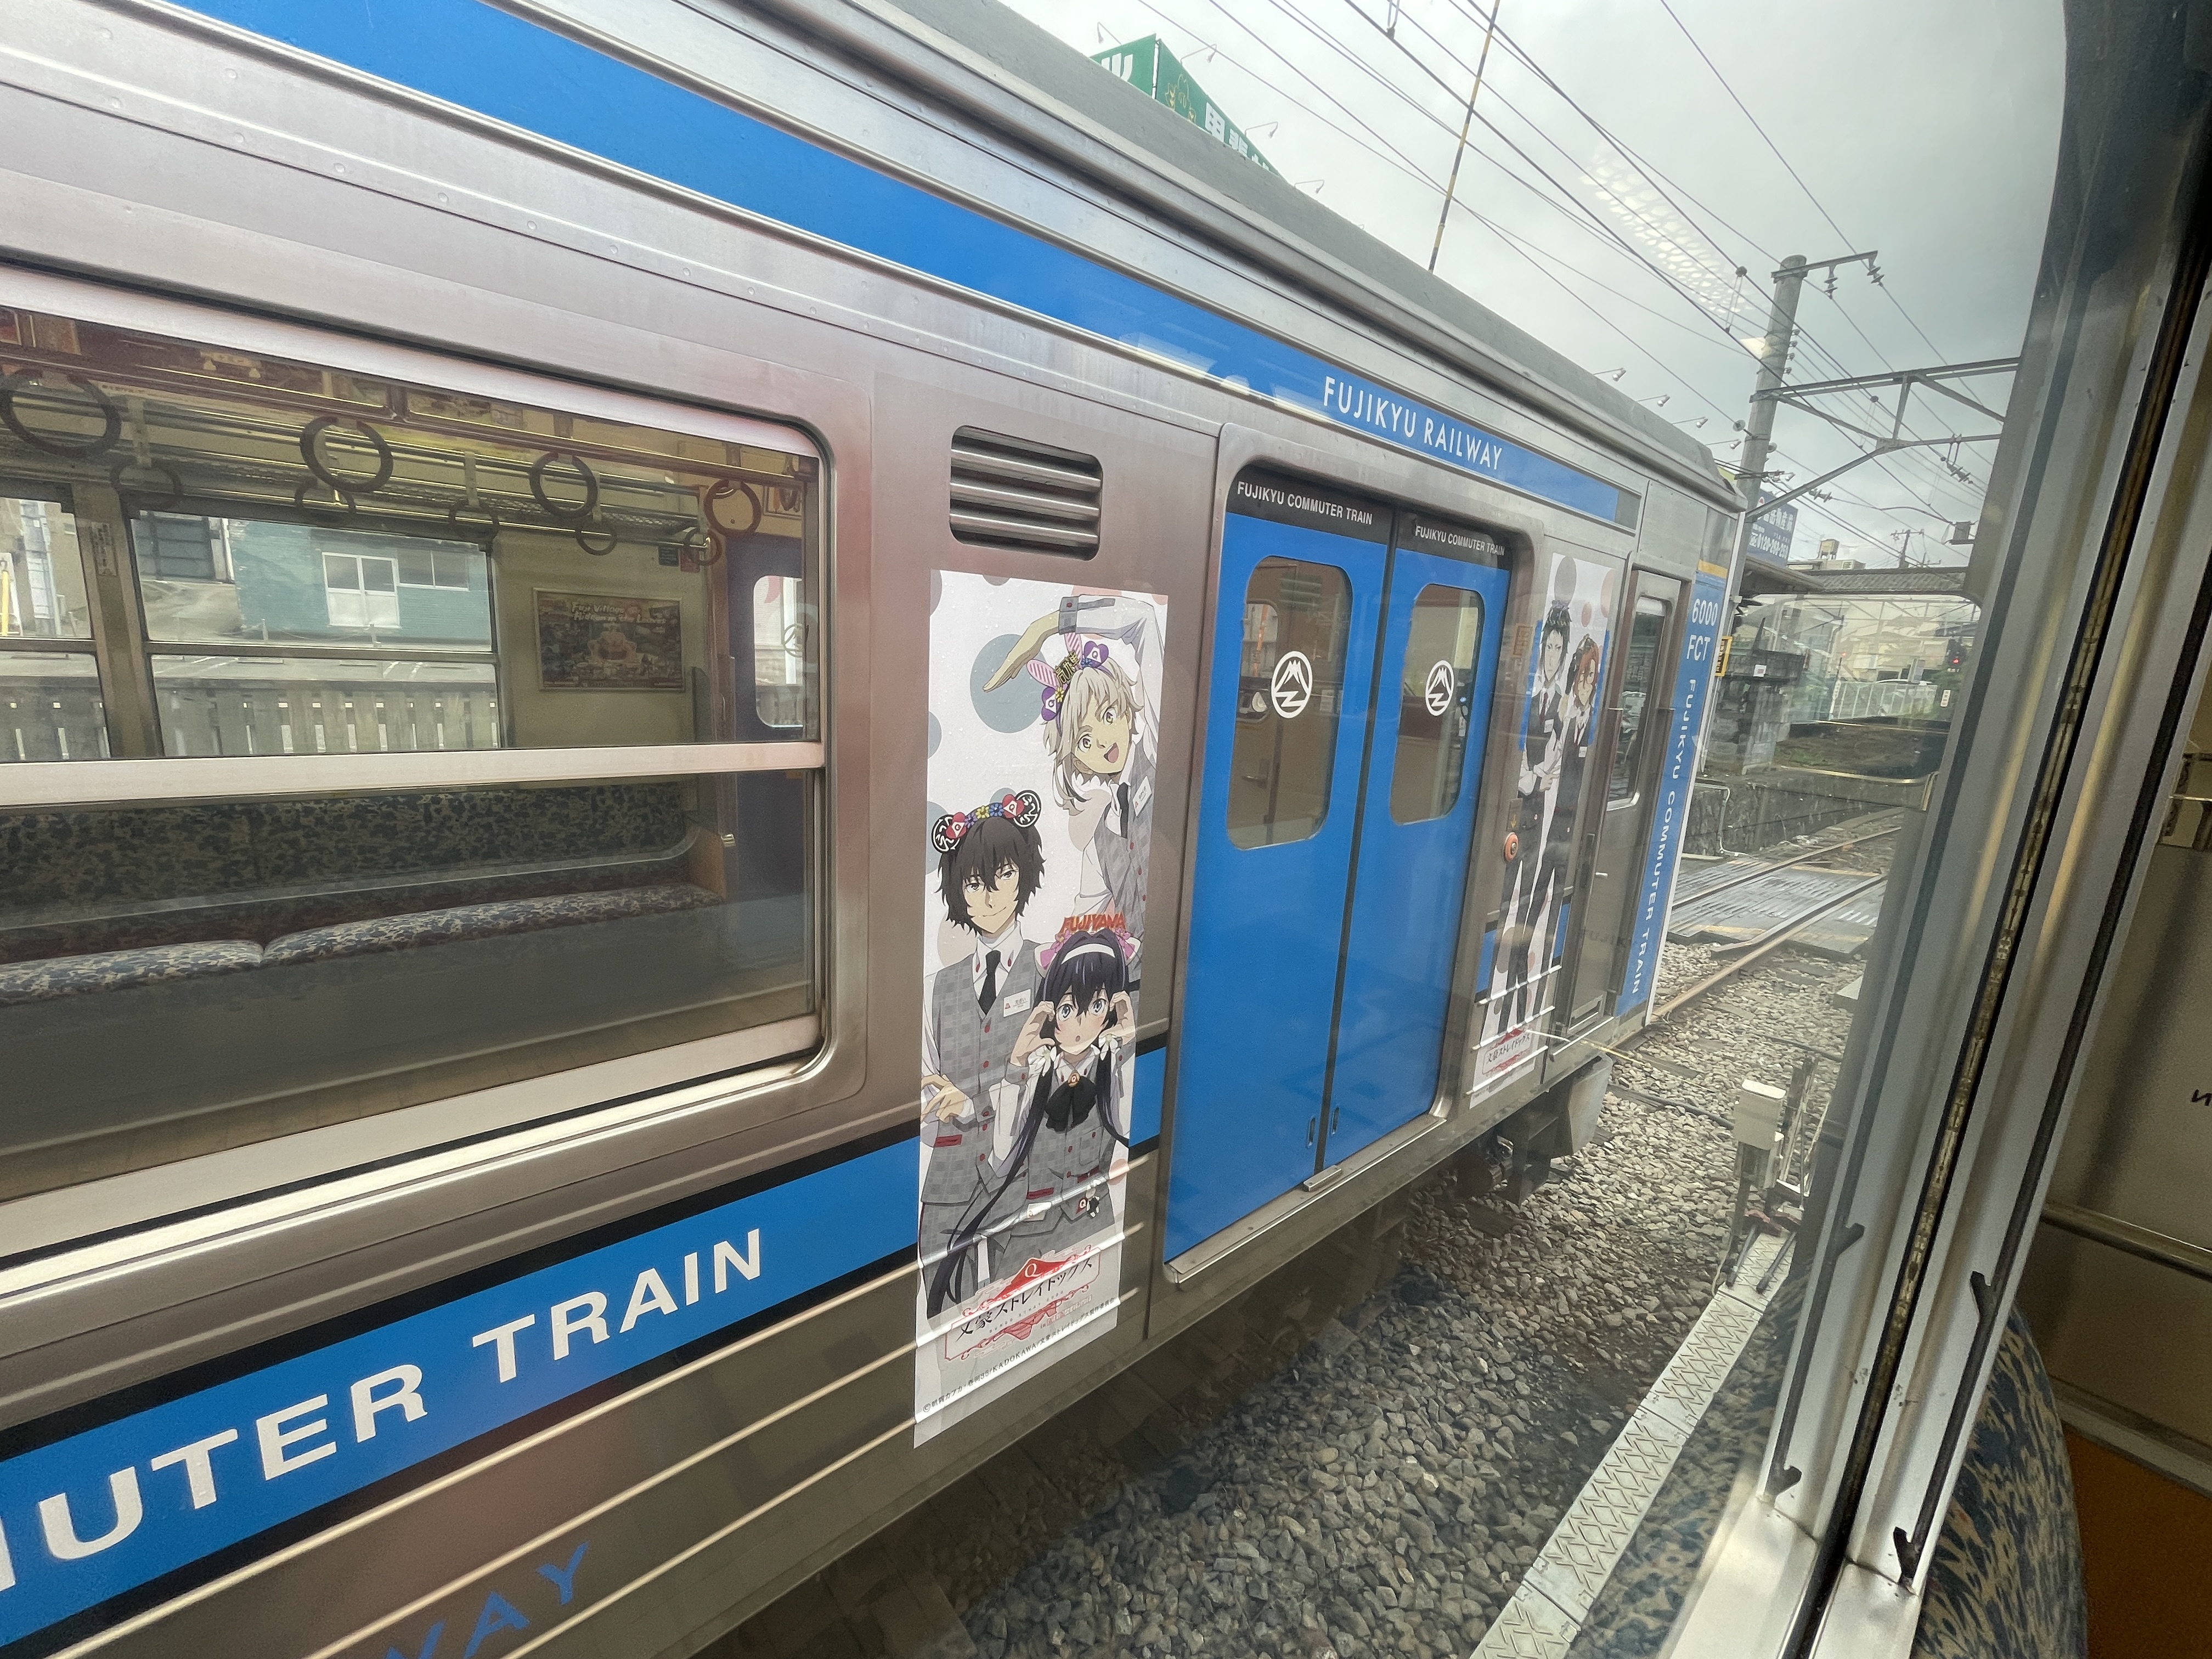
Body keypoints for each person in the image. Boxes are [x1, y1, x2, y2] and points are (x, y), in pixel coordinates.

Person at [926, 926, 1134, 1317]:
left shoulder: (1113, 1069)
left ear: (1110, 1010)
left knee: (1087, 1308)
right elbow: (1002, 1155)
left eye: (1096, 1006)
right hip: (1026, 1235)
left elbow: (1125, 1132)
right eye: (1068, 1010)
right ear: (1050, 1013)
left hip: (1090, 1219)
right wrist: (1016, 1066)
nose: (1080, 1024)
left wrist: (1129, 1043)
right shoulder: (1031, 1077)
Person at [985, 593, 1163, 960]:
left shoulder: (1157, 750)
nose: (1103, 741)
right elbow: (1081, 927)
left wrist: (1048, 625)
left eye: (1109, 715)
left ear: (1126, 708)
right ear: (1075, 759)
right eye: (1084, 740)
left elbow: (1143, 619)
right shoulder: (1099, 845)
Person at [919, 792, 1046, 1274]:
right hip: (948, 1188)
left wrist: (973, 1106)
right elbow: (924, 1085)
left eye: (1004, 875)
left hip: (1025, 1176)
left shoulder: (1047, 969)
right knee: (942, 1303)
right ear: (958, 891)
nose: (990, 895)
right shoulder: (934, 988)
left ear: (1024, 876)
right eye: (974, 883)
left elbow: (1053, 1076)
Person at [1494, 602, 1571, 1037]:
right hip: (1517, 809)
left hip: (1538, 817)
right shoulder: (1524, 697)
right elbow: (1523, 764)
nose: (1553, 656)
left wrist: (1535, 776)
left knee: (1526, 911)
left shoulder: (1560, 704)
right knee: (1504, 905)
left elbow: (1554, 764)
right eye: (1549, 647)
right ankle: (1498, 1005)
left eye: (1559, 649)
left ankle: (1517, 1015)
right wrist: (1534, 776)